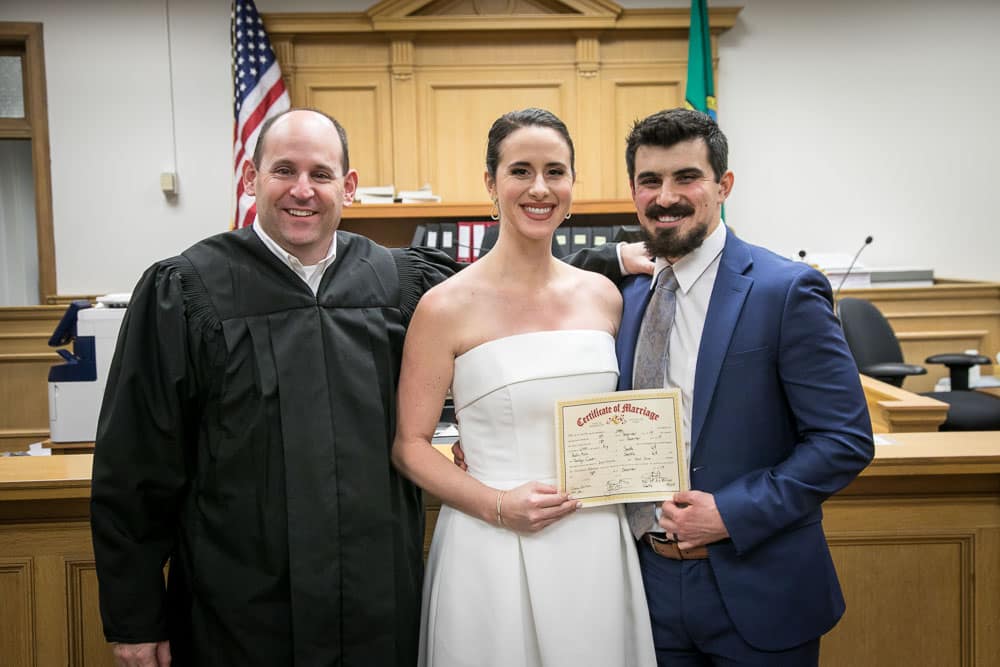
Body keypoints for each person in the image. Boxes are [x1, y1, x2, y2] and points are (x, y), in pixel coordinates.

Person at [90, 107, 643, 667]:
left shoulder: (397, 280)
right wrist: (136, 617)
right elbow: (135, 464)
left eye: (322, 174)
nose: (302, 190)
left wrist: (617, 256)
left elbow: (519, 289)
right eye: (284, 170)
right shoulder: (189, 290)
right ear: (251, 179)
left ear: (348, 186)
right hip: (241, 598)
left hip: (374, 593)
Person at [391, 108, 656, 667]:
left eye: (555, 171)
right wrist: (497, 505)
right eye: (521, 171)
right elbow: (410, 445)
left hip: (596, 544)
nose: (540, 188)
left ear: (572, 185)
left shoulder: (605, 297)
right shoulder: (444, 306)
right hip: (492, 541)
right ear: (491, 183)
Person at [616, 109, 874, 664]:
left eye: (687, 177)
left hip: (758, 584)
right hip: (644, 590)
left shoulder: (785, 290)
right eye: (650, 181)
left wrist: (731, 512)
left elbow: (844, 440)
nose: (667, 197)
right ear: (633, 191)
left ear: (723, 185)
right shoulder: (628, 300)